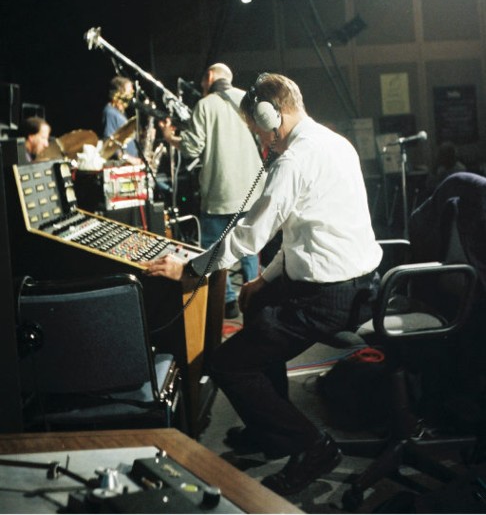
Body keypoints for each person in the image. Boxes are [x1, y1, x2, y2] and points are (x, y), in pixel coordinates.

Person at [145, 72, 383, 496]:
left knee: (229, 364)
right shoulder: (333, 142)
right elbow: (301, 235)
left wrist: (190, 268)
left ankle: (312, 447)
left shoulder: (293, 160)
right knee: (256, 304)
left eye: (257, 129)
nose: (259, 139)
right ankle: (270, 430)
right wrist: (260, 279)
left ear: (271, 116)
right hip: (358, 284)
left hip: (329, 296)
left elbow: (250, 235)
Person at [159, 62, 264, 319]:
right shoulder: (249, 99)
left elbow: (192, 149)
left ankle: (227, 301)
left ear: (209, 76)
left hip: (220, 192)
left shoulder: (205, 105)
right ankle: (253, 299)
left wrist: (169, 137)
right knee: (250, 246)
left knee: (215, 250)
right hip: (253, 191)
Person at [102, 75, 140, 164]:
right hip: (124, 164)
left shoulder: (120, 112)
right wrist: (130, 159)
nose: (132, 94)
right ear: (119, 92)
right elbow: (110, 145)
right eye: (129, 91)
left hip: (132, 163)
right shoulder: (110, 112)